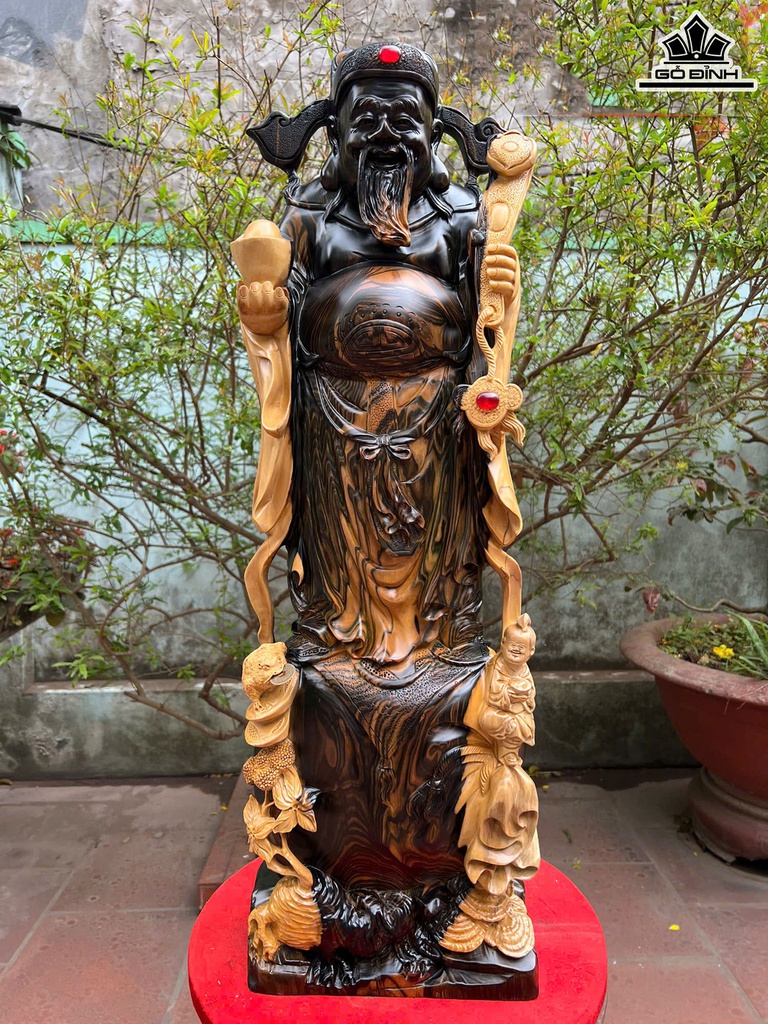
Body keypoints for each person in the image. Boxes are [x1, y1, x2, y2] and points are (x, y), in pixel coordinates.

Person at [237, 43, 521, 668]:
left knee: (433, 533)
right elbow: (282, 308)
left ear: (433, 134)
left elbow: (488, 330)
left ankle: (441, 638)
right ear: (335, 132)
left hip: (434, 417)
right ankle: (336, 636)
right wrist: (264, 316)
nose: (386, 135)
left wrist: (499, 285)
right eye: (366, 120)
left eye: (405, 120)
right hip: (334, 416)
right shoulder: (310, 215)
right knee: (341, 537)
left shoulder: (462, 216)